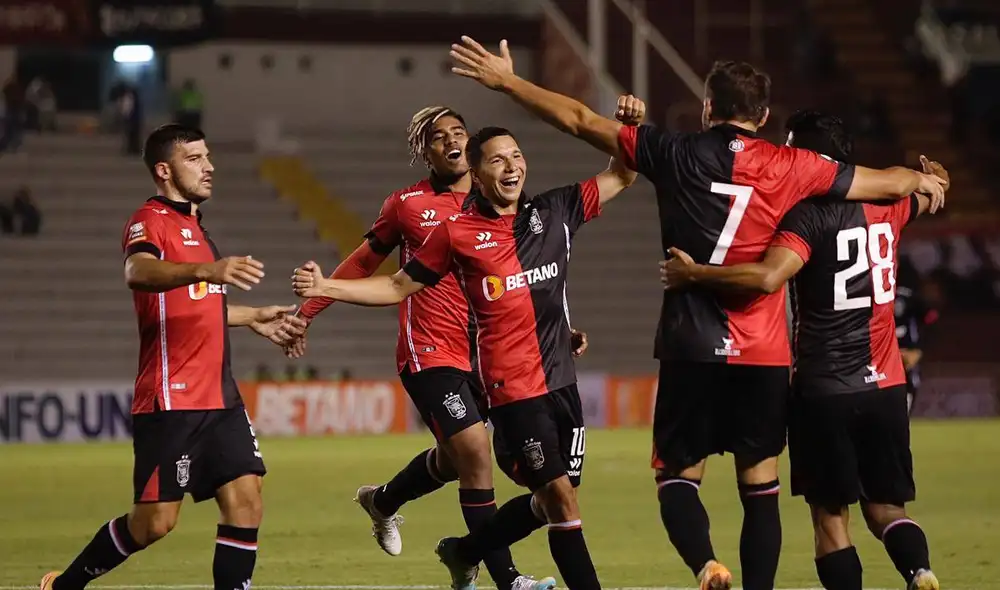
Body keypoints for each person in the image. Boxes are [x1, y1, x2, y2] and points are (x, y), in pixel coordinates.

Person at [447, 37, 947, 590]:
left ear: (708, 108)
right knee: (760, 484)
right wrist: (920, 179)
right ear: (762, 115)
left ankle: (706, 565)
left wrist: (509, 83)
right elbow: (880, 182)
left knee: (678, 477)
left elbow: (579, 119)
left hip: (691, 344)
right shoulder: (795, 165)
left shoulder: (675, 151)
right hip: (763, 353)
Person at [291, 118, 642, 590]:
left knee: (553, 498)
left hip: (561, 380)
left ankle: (463, 549)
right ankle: (510, 578)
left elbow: (621, 174)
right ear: (477, 174)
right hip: (509, 387)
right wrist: (324, 289)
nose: (511, 166)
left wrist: (628, 127)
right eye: (497, 160)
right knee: (554, 496)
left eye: (516, 155)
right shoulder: (454, 232)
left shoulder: (556, 210)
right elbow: (397, 286)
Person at [659, 111, 943, 590]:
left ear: (812, 157)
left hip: (825, 387)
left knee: (830, 521)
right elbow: (929, 193)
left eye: (793, 148)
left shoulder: (808, 216)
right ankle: (920, 571)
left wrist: (696, 275)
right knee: (888, 509)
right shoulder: (891, 207)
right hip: (888, 386)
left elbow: (769, 276)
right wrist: (936, 179)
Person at [40, 124, 307, 590]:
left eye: (208, 156)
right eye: (196, 159)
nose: (210, 167)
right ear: (164, 170)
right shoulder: (151, 220)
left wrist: (254, 317)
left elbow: (198, 306)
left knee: (247, 499)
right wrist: (209, 268)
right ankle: (65, 586)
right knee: (155, 523)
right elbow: (137, 270)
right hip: (172, 398)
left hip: (220, 398)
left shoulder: (197, 230)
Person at [894, 282, 938, 416]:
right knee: (909, 381)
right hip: (908, 348)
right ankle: (903, 414)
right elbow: (931, 316)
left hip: (889, 349)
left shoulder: (877, 292)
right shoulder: (910, 295)